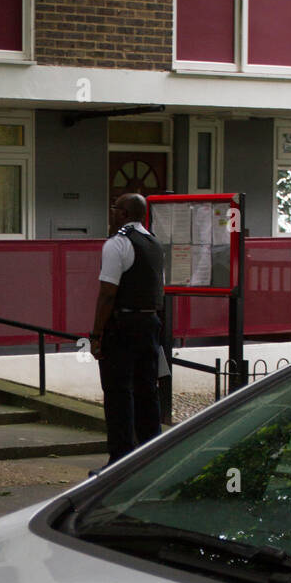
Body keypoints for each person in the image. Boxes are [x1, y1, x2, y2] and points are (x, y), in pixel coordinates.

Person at [90, 192, 165, 464]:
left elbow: (107, 292)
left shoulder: (117, 243)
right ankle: (151, 456)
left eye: (114, 209)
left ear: (123, 213)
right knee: (147, 390)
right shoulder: (154, 243)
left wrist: (96, 334)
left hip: (123, 325)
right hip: (150, 323)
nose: (111, 213)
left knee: (118, 392)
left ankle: (119, 459)